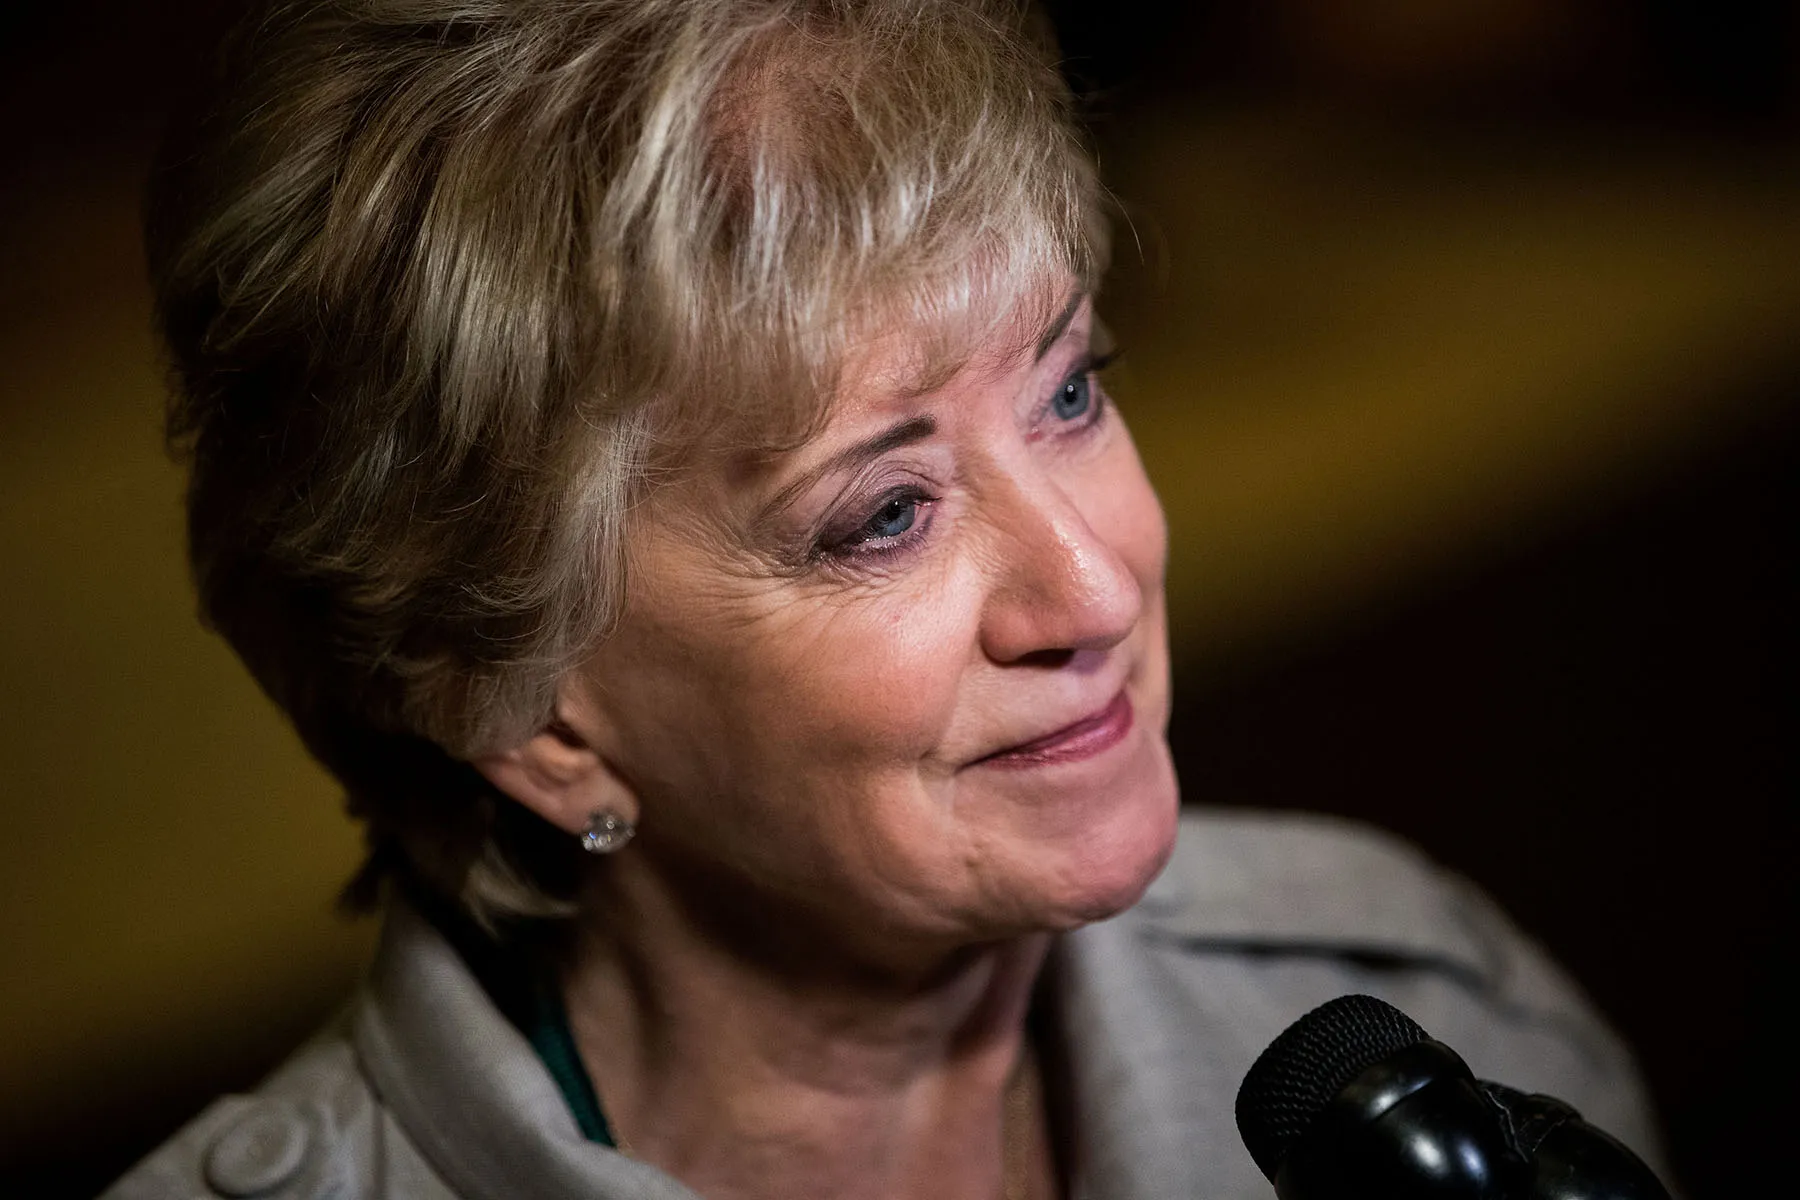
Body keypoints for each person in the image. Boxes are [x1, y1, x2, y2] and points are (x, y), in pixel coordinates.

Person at [110, 2, 1665, 1197]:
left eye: (1069, 393)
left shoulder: (1408, 994)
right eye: (884, 515)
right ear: (523, 706)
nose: (1093, 581)